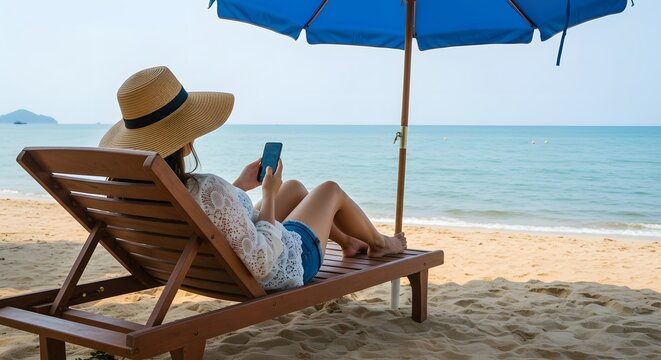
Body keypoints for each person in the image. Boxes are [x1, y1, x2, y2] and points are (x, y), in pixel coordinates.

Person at [99, 66, 406, 291]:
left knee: (295, 188)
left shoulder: (132, 195)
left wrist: (240, 186)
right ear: (186, 141)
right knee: (329, 190)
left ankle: (348, 241)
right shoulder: (205, 187)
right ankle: (380, 243)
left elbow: (200, 215)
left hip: (202, 270)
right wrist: (269, 195)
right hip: (280, 267)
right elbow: (261, 261)